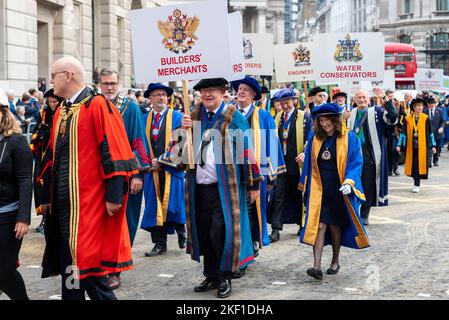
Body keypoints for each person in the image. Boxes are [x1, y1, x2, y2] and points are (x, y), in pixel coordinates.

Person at [41, 56, 138, 300]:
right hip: (66, 206)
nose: (51, 80)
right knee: (70, 267)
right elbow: (52, 157)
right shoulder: (62, 110)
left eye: (54, 75)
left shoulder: (97, 105)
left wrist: (114, 196)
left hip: (89, 206)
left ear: (68, 75)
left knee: (90, 271)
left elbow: (115, 150)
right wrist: (48, 197)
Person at [179, 78, 262, 298]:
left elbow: (248, 152)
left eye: (211, 91)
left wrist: (253, 183)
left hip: (226, 189)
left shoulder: (235, 118)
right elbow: (180, 155)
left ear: (222, 93)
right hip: (199, 189)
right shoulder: (193, 117)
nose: (207, 95)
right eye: (203, 91)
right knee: (204, 231)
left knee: (222, 232)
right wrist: (183, 131)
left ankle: (225, 276)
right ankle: (211, 275)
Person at [298, 103, 369, 280]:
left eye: (327, 120)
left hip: (339, 189)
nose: (324, 124)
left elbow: (355, 163)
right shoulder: (314, 137)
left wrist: (350, 182)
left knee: (335, 226)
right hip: (319, 188)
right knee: (320, 225)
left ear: (336, 120)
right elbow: (309, 162)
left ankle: (335, 261)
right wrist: (304, 182)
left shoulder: (349, 138)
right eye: (320, 120)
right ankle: (316, 266)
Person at [99, 68, 150, 289]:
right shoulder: (94, 105)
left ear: (119, 84)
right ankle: (100, 265)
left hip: (127, 174)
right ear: (99, 84)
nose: (109, 87)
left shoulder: (129, 107)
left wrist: (138, 173)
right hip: (101, 175)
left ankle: (116, 269)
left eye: (112, 83)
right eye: (105, 83)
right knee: (102, 222)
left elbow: (138, 139)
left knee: (124, 223)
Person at [231, 76, 285, 267]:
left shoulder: (263, 116)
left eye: (246, 89)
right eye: (239, 88)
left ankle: (253, 242)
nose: (241, 91)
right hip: (233, 173)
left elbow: (272, 145)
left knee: (254, 210)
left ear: (254, 96)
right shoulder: (228, 114)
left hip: (257, 173)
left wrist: (271, 179)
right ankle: (239, 244)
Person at [140, 83, 187, 257]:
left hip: (171, 170)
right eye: (156, 95)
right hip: (151, 171)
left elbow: (181, 143)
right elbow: (139, 144)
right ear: (150, 98)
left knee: (174, 205)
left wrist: (161, 160)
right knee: (154, 207)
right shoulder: (143, 119)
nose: (161, 98)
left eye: (163, 95)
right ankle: (159, 243)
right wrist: (147, 162)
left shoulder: (177, 117)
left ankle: (181, 231)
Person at [0, 91, 33, 300]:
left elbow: (24, 180)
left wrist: (23, 218)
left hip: (8, 215)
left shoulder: (17, 142)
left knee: (4, 271)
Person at [347, 88, 397, 226]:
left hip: (370, 155)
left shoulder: (377, 112)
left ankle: (364, 213)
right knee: (353, 182)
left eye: (364, 97)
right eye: (359, 98)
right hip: (353, 155)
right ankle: (353, 211)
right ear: (354, 100)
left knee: (368, 185)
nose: (361, 100)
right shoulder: (350, 114)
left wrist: (385, 99)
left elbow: (392, 117)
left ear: (368, 99)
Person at [268, 88, 312, 241]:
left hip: (297, 163)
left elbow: (310, 138)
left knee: (299, 193)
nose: (284, 106)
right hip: (281, 164)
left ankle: (302, 224)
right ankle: (275, 229)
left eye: (287, 103)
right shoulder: (277, 118)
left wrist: (305, 153)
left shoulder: (304, 117)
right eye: (281, 103)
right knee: (278, 195)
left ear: (294, 101)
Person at [30, 88, 64, 235]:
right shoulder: (43, 113)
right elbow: (35, 131)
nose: (51, 104)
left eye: (54, 101)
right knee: (39, 182)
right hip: (43, 154)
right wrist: (40, 133)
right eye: (49, 101)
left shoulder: (64, 112)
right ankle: (44, 216)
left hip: (57, 155)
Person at [396, 98, 437, 193]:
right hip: (411, 146)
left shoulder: (425, 118)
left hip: (422, 146)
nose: (420, 107)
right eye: (418, 105)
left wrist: (433, 146)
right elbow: (403, 133)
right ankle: (416, 183)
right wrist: (399, 145)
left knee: (418, 166)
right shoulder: (408, 119)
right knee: (413, 166)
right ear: (414, 107)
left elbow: (430, 133)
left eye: (422, 105)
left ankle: (417, 184)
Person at [424, 97, 445, 167]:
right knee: (429, 147)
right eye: (429, 104)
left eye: (432, 104)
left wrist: (441, 127)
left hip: (437, 132)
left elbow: (443, 121)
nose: (431, 106)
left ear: (435, 104)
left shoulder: (439, 111)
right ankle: (429, 161)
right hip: (428, 133)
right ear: (427, 104)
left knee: (436, 147)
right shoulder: (425, 111)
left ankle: (435, 160)